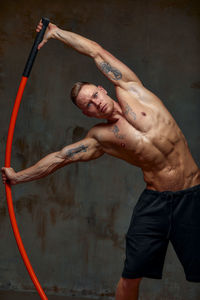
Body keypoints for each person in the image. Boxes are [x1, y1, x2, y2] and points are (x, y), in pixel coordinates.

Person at [2, 20, 200, 300]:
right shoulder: (101, 138)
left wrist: (55, 33)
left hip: (192, 196)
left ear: (101, 87)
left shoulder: (131, 89)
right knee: (129, 277)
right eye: (89, 105)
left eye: (94, 95)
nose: (96, 103)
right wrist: (18, 176)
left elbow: (95, 51)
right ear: (87, 113)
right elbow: (60, 158)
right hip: (155, 203)